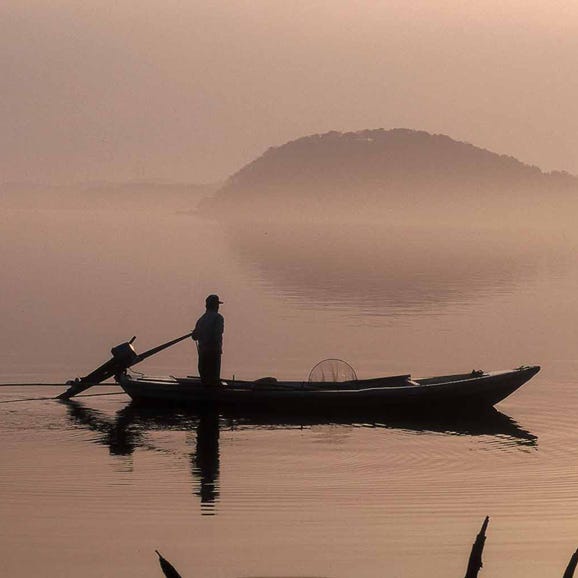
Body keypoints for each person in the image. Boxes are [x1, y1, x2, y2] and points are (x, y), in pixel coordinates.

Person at [192, 294, 224, 385]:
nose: (218, 307)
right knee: (214, 381)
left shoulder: (201, 319)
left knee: (204, 380)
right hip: (213, 353)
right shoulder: (218, 318)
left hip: (203, 353)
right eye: (217, 305)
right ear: (215, 306)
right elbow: (217, 335)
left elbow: (194, 337)